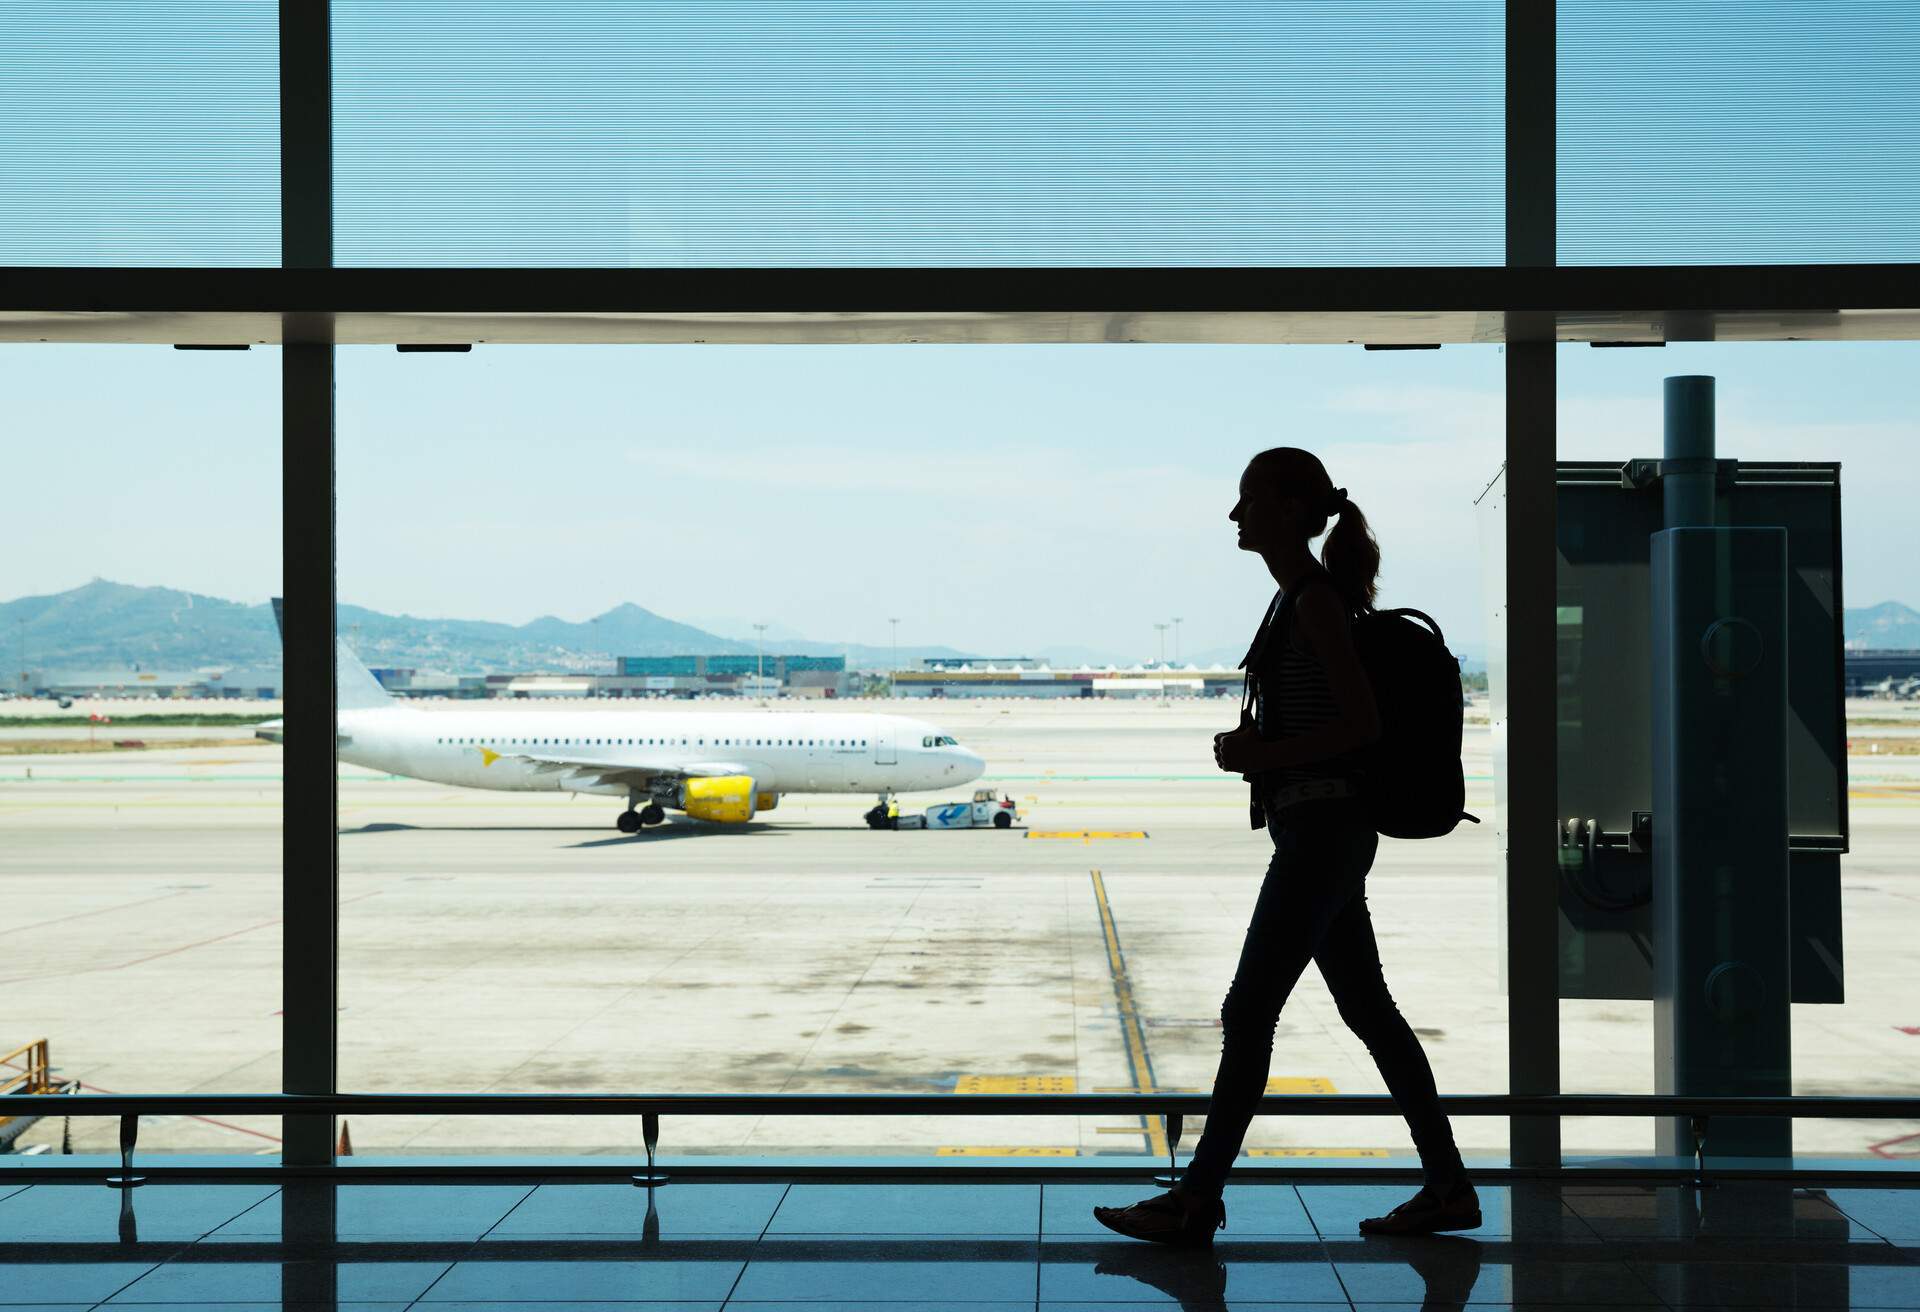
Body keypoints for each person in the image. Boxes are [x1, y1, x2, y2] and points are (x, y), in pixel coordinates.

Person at [1093, 446, 1478, 1244]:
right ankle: (1448, 1187)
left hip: (1323, 835)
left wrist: (1259, 753)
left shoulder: (1314, 601)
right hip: (1316, 831)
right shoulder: (1297, 599)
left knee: (1248, 1010)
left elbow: (1360, 725)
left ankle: (1197, 1199)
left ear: (1293, 511)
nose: (1236, 516)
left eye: (1249, 501)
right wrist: (1265, 742)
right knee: (1370, 1011)